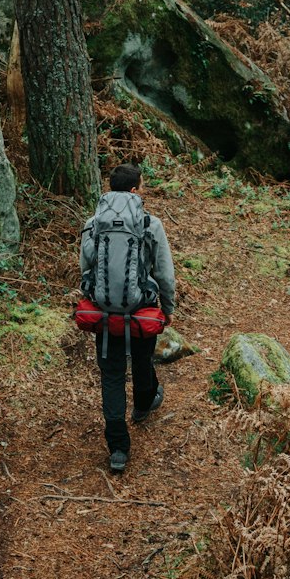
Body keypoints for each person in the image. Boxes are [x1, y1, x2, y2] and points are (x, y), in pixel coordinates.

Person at [80, 162, 176, 474]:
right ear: (135, 190)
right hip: (140, 313)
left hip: (106, 316)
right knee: (143, 360)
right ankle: (144, 404)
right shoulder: (152, 224)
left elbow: (86, 270)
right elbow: (164, 273)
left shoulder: (93, 223)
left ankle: (118, 448)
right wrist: (168, 307)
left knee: (111, 376)